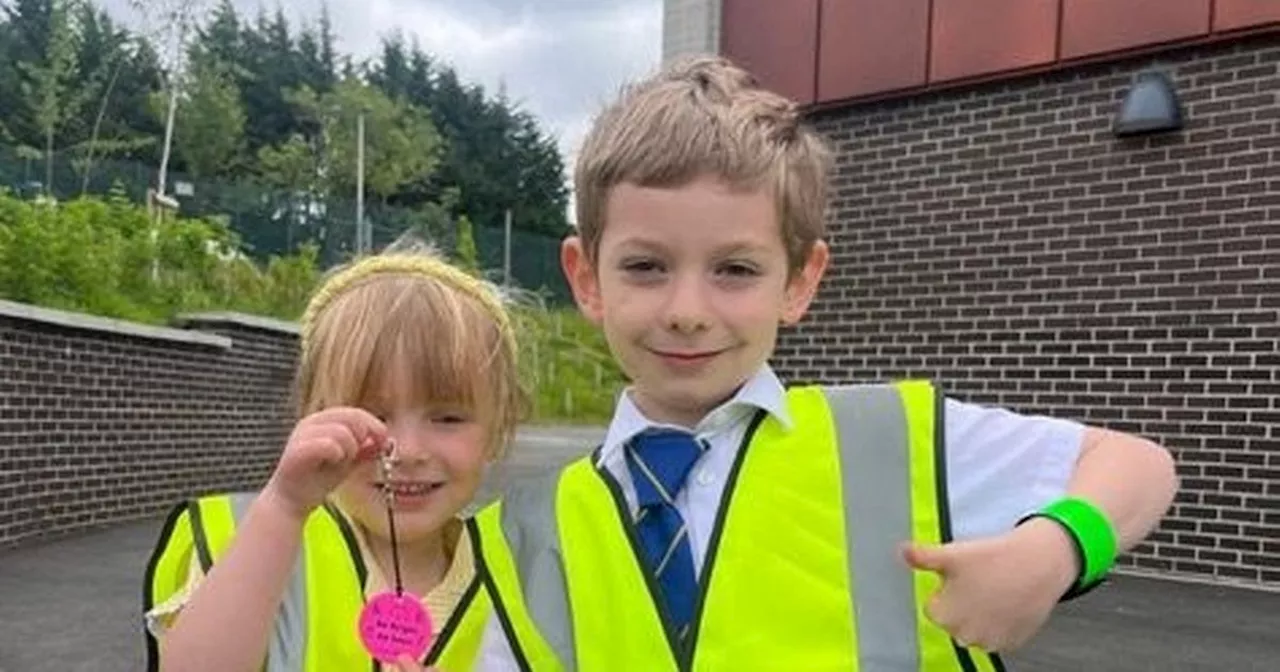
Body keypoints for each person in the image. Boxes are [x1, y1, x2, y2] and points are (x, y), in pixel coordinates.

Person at [460, 55, 1180, 671]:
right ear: (586, 277)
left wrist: (1055, 548)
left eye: (735, 270)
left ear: (800, 281)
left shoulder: (891, 443)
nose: (687, 308)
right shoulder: (531, 525)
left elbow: (1138, 466)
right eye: (646, 266)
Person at [142, 244, 526, 672]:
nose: (409, 451)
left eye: (449, 418)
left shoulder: (530, 578)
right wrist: (284, 508)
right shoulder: (243, 541)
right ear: (312, 412)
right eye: (373, 415)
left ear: (499, 427)